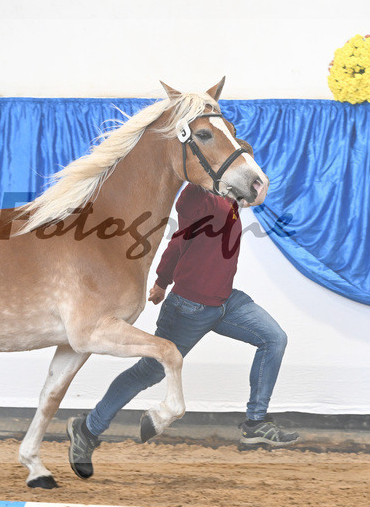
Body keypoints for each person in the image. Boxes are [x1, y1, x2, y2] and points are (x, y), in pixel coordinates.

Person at [67, 182, 299, 480]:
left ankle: (256, 425)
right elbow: (178, 239)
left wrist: (258, 190)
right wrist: (162, 281)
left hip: (225, 302)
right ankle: (87, 430)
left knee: (274, 338)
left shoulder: (229, 203)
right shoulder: (199, 198)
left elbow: (249, 200)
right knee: (147, 373)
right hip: (189, 308)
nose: (249, 183)